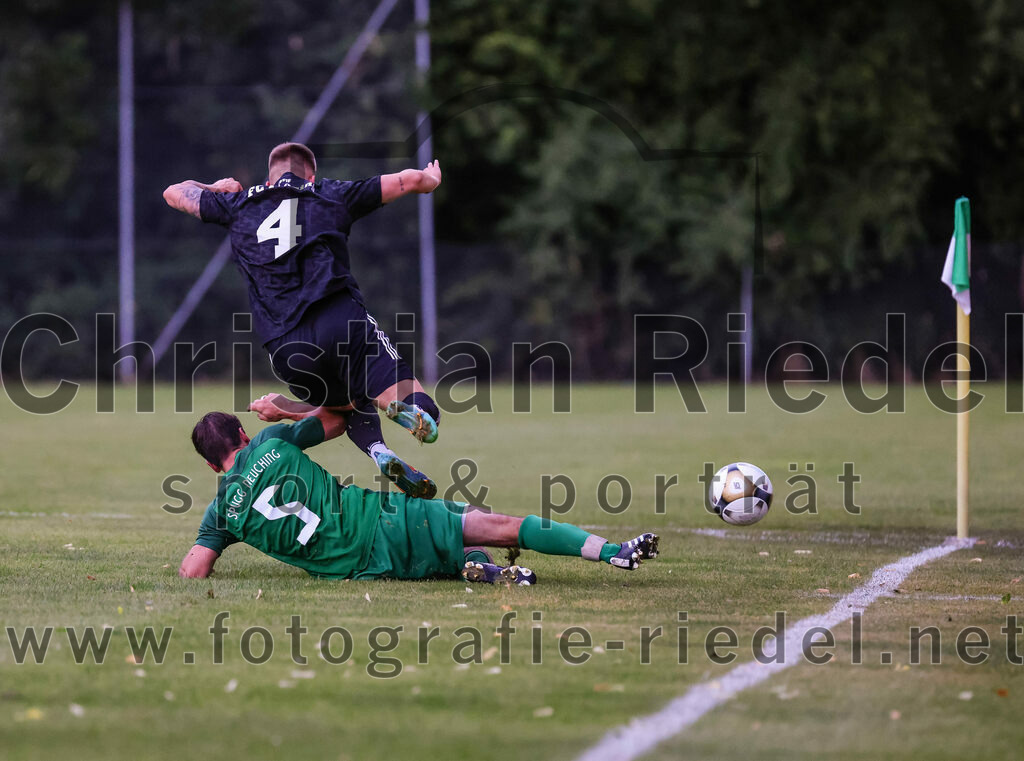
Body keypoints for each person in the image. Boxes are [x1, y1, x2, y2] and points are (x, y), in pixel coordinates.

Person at [163, 142, 443, 499]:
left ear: (270, 176)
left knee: (343, 410)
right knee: (423, 409)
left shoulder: (239, 204)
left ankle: (376, 449)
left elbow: (174, 193)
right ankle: (401, 407)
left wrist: (215, 188)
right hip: (340, 321)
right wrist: (430, 179)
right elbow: (405, 181)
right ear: (310, 174)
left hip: (285, 347)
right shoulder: (329, 193)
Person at [178, 401, 659, 583]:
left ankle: (477, 568)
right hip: (380, 520)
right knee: (493, 523)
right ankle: (613, 552)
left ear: (208, 464)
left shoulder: (221, 513)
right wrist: (284, 412)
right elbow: (339, 416)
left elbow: (193, 570)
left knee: (451, 545)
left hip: (357, 571)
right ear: (243, 436)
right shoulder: (271, 442)